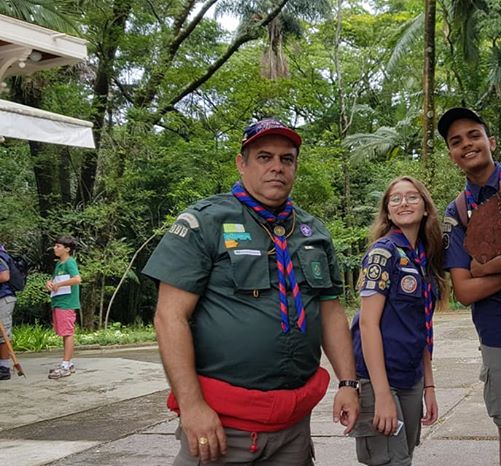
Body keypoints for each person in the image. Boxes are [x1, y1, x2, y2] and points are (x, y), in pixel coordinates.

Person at [143, 118, 360, 465]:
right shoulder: (206, 221)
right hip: (222, 426)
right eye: (264, 157)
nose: (276, 167)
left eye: (286, 159)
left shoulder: (311, 231)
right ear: (241, 163)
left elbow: (330, 312)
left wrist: (348, 383)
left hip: (294, 424)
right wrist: (192, 405)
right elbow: (170, 316)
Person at [438, 107, 501, 465]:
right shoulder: (458, 211)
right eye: (456, 141)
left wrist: (488, 265)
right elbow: (464, 290)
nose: (467, 145)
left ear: (491, 141)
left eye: (474, 135)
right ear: (451, 154)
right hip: (499, 335)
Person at [350, 176, 448, 465]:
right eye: (396, 198)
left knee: (403, 456)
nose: (404, 203)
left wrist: (429, 387)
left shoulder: (424, 260)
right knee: (391, 460)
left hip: (411, 377)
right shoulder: (383, 253)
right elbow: (368, 325)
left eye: (412, 197)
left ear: (426, 208)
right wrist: (381, 395)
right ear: (388, 211)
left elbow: (422, 329)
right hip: (380, 378)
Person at [45, 236, 82, 380]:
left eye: (58, 246)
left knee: (68, 333)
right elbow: (55, 281)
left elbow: (77, 279)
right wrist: (49, 283)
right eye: (55, 246)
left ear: (67, 249)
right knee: (64, 333)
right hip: (58, 302)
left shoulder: (70, 262)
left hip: (67, 303)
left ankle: (65, 366)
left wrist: (59, 285)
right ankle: (68, 363)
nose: (55, 248)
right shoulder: (59, 264)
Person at [0, 243, 17, 381]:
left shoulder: (0, 256)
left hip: (4, 298)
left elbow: (5, 276)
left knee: (3, 333)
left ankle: (4, 368)